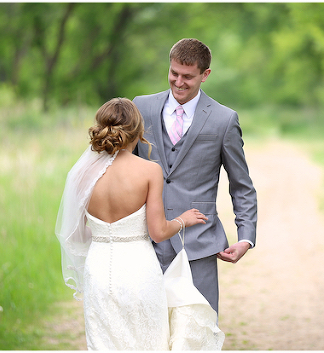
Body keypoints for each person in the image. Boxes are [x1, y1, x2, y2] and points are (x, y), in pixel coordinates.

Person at [56, 98, 224, 350]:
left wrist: (106, 234)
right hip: (138, 269)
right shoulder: (149, 171)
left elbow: (76, 235)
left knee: (104, 343)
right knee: (146, 341)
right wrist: (182, 220)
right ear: (138, 132)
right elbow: (158, 232)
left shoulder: (80, 174)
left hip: (99, 270)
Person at [132, 38, 258, 315]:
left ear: (205, 75)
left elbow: (241, 186)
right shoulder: (141, 107)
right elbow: (120, 168)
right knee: (148, 333)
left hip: (198, 244)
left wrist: (245, 237)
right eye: (174, 73)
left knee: (197, 332)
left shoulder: (223, 120)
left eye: (188, 77)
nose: (178, 82)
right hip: (143, 242)